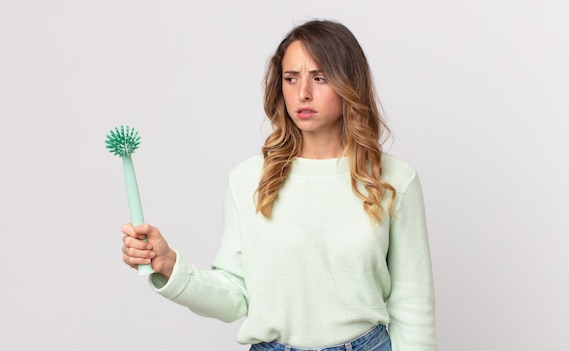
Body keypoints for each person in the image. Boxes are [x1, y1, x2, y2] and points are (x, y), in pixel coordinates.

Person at [121, 19, 437, 351]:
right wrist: (170, 265)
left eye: (320, 77)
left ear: (349, 83)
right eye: (291, 78)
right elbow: (235, 295)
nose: (303, 93)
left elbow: (413, 306)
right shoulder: (249, 180)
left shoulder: (394, 180)